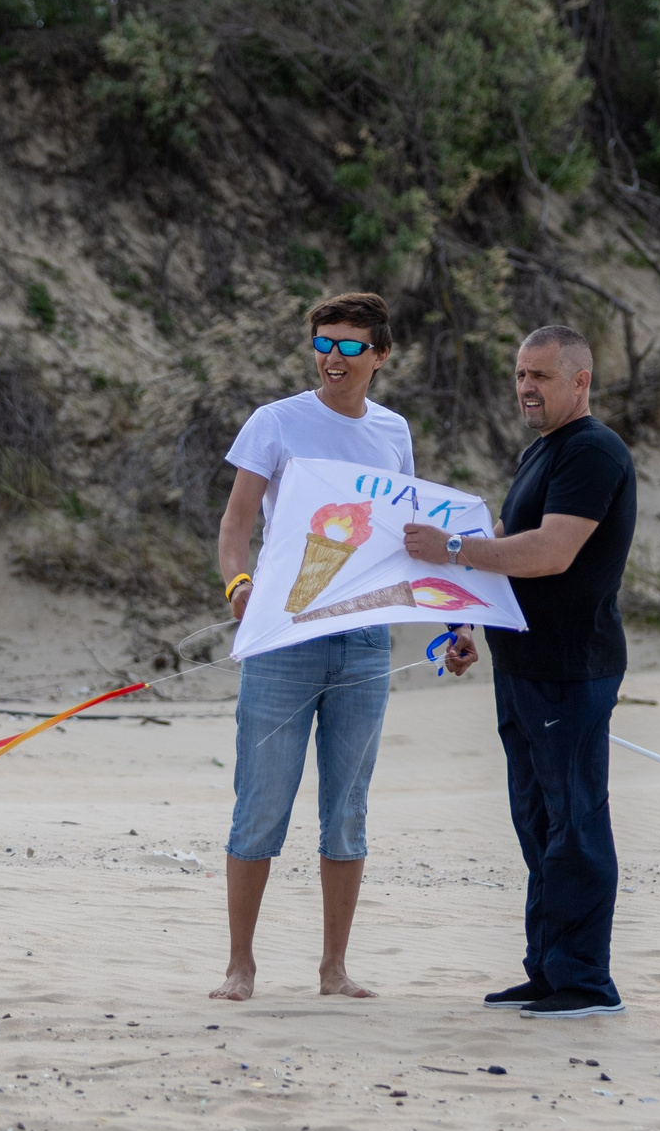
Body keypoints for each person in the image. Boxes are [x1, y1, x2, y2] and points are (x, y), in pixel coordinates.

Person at [210, 291, 476, 1001]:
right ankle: (241, 965)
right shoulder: (276, 422)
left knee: (347, 808)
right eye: (324, 342)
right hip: (285, 636)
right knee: (261, 801)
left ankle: (334, 969)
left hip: (364, 639)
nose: (334, 356)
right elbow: (235, 526)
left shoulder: (394, 432)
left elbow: (410, 543)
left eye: (351, 345)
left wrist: (455, 626)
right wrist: (240, 588)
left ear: (380, 355)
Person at [404, 325, 636, 1018]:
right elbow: (509, 547)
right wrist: (466, 624)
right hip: (523, 663)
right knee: (537, 822)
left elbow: (552, 552)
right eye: (519, 374)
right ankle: (548, 969)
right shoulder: (543, 453)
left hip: (572, 666)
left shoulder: (594, 450)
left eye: (540, 374)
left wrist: (452, 548)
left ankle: (586, 982)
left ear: (580, 381)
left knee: (576, 824)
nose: (526, 387)